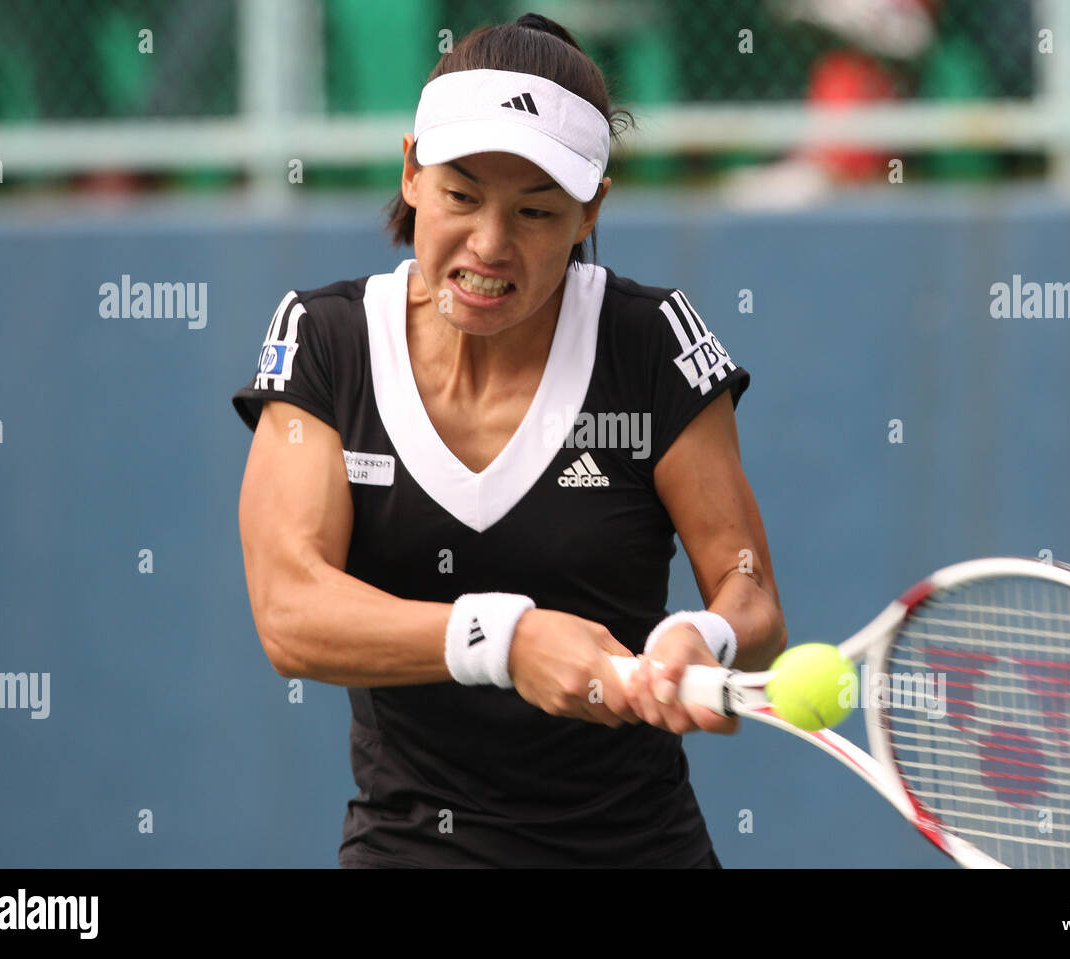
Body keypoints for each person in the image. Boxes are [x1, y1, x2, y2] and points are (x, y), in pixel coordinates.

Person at [232, 12, 786, 867]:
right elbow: (290, 612)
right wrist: (505, 640)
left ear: (590, 209)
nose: (489, 246)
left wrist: (701, 637)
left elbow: (748, 593)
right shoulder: (327, 340)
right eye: (461, 195)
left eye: (535, 211)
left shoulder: (653, 342)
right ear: (411, 170)